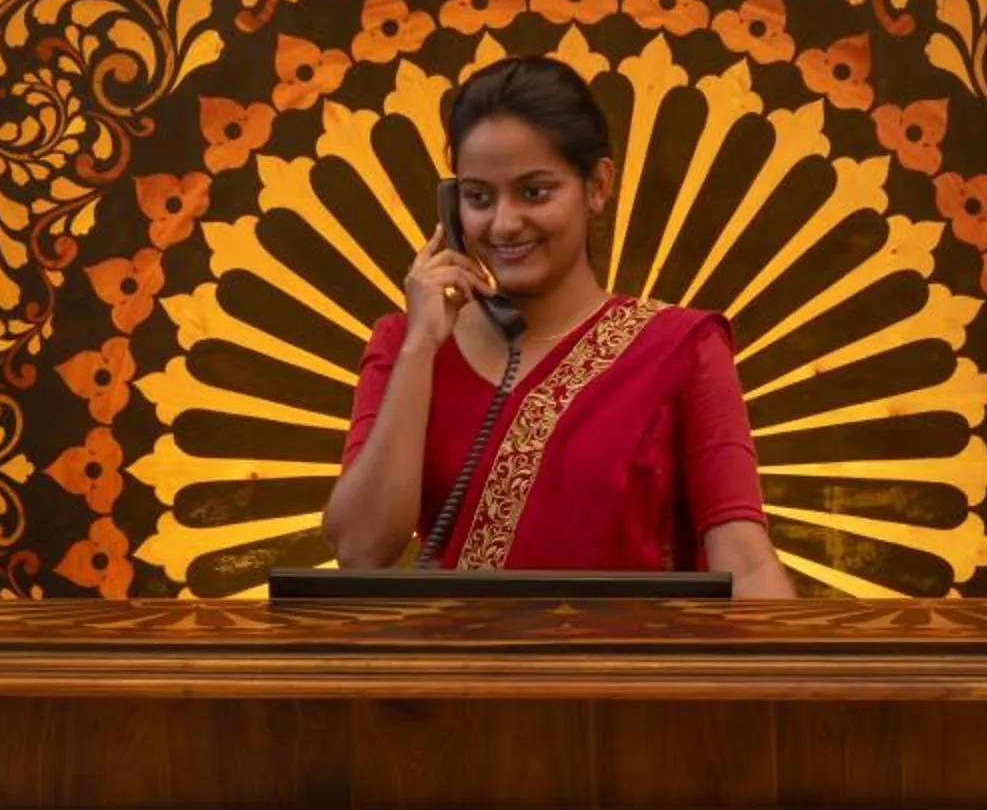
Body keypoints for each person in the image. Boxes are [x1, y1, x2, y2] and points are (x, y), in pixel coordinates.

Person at [322, 55, 795, 596]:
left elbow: (745, 560)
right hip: (459, 675)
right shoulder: (406, 344)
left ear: (597, 185)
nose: (502, 223)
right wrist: (420, 346)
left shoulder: (681, 348)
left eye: (534, 192)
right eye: (478, 198)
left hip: (625, 675)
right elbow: (360, 551)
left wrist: (796, 677)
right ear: (451, 207)